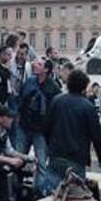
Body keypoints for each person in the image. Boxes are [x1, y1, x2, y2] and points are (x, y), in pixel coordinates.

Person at [42, 69, 101, 196]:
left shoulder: (56, 101)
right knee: (74, 200)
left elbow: (46, 128)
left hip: (56, 156)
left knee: (51, 198)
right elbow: (97, 137)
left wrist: (51, 147)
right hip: (76, 160)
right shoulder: (88, 107)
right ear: (84, 87)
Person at [16, 57, 59, 187]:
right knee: (18, 157)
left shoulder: (53, 87)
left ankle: (40, 191)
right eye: (35, 63)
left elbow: (54, 111)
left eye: (39, 64)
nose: (35, 65)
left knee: (41, 162)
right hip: (24, 126)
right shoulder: (30, 81)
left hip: (41, 130)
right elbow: (21, 99)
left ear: (46, 69)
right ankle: (16, 186)